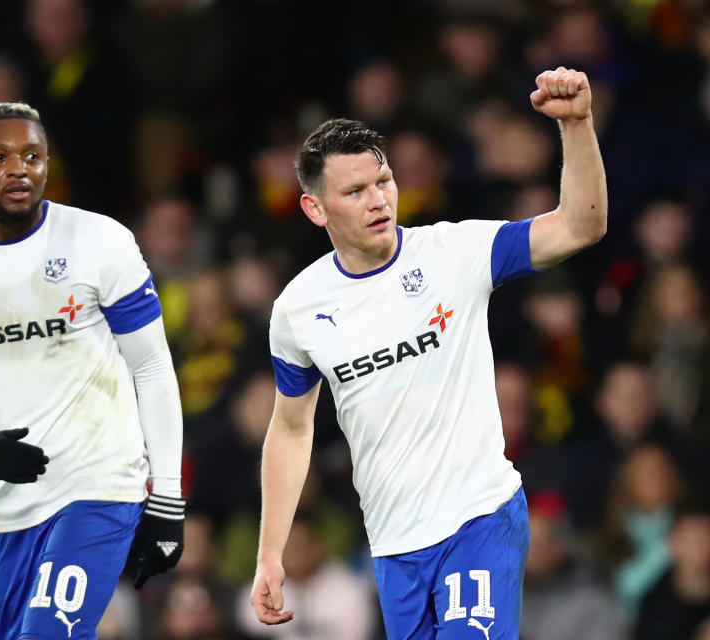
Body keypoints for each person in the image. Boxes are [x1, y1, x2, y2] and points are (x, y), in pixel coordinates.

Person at [250, 67, 607, 639]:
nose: (378, 200)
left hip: (480, 517)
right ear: (315, 209)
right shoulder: (298, 310)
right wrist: (271, 553)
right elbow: (291, 429)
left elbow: (581, 226)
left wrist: (577, 125)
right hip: (394, 546)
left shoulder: (454, 252)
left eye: (383, 181)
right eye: (354, 191)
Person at [0, 102, 184, 640]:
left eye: (33, 156)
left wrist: (168, 497)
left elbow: (152, 366)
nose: (19, 169)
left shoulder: (99, 241)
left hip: (100, 484)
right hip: (10, 505)